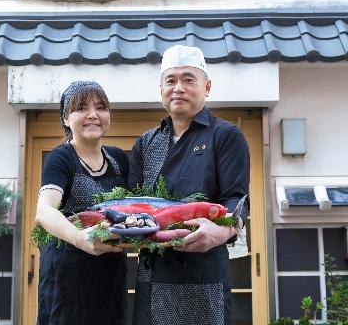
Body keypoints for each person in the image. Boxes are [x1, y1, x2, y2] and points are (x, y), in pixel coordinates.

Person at [129, 45, 250, 325]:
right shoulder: (146, 143)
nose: (178, 88)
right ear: (160, 88)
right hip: (153, 273)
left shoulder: (226, 136)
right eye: (171, 80)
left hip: (202, 274)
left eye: (188, 79)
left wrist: (221, 232)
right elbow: (132, 205)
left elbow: (236, 200)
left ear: (207, 87)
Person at [35, 81, 128, 325]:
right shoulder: (61, 158)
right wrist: (79, 238)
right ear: (66, 119)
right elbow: (44, 210)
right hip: (67, 274)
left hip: (110, 272)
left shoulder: (118, 158)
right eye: (81, 108)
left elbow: (135, 208)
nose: (93, 115)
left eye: (100, 107)